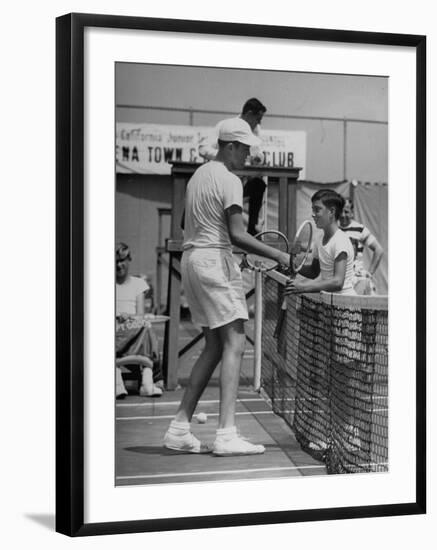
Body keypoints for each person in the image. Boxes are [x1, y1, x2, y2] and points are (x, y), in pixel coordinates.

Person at [163, 117, 290, 456]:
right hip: (212, 263)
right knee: (235, 341)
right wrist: (280, 255)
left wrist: (229, 253)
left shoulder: (197, 177)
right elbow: (236, 234)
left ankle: (178, 429)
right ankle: (226, 434)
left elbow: (194, 225)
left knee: (214, 346)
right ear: (230, 146)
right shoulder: (230, 180)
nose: (249, 154)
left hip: (193, 262)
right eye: (245, 148)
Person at [115, 242, 164, 398]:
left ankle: (146, 382)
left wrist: (129, 317)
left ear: (129, 260)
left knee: (146, 326)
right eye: (115, 261)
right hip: (114, 330)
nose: (119, 265)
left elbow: (140, 315)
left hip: (133, 330)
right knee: (146, 328)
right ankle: (151, 379)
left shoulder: (138, 284)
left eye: (122, 260)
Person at [285, 189, 355, 296]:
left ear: (331, 211)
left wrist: (303, 287)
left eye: (317, 210)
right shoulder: (319, 240)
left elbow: (337, 282)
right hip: (328, 303)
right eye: (313, 210)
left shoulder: (340, 241)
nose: (313, 214)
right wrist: (293, 266)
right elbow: (314, 272)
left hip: (345, 305)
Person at [339, 199, 384, 295]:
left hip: (356, 277)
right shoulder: (333, 229)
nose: (343, 215)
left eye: (346, 212)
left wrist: (370, 273)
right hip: (339, 277)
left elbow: (378, 250)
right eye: (341, 211)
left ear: (352, 213)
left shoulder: (360, 229)